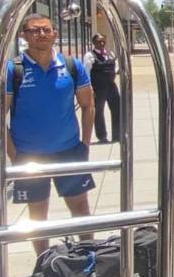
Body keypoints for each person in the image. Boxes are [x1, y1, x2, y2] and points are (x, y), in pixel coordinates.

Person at [7, 13, 96, 256]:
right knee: (38, 214)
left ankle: (89, 257)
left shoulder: (71, 65)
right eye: (34, 30)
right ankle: (43, 263)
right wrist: (13, 153)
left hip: (69, 150)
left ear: (55, 33)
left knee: (80, 207)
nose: (41, 35)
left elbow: (88, 105)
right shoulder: (13, 70)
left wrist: (84, 145)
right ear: (24, 35)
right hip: (30, 155)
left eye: (46, 30)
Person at [82, 33, 121, 144]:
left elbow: (116, 67)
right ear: (94, 43)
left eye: (103, 41)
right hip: (97, 88)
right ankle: (102, 136)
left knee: (117, 109)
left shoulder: (110, 53)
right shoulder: (89, 56)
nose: (102, 43)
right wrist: (89, 89)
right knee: (98, 111)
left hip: (111, 86)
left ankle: (117, 135)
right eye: (99, 41)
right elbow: (86, 72)